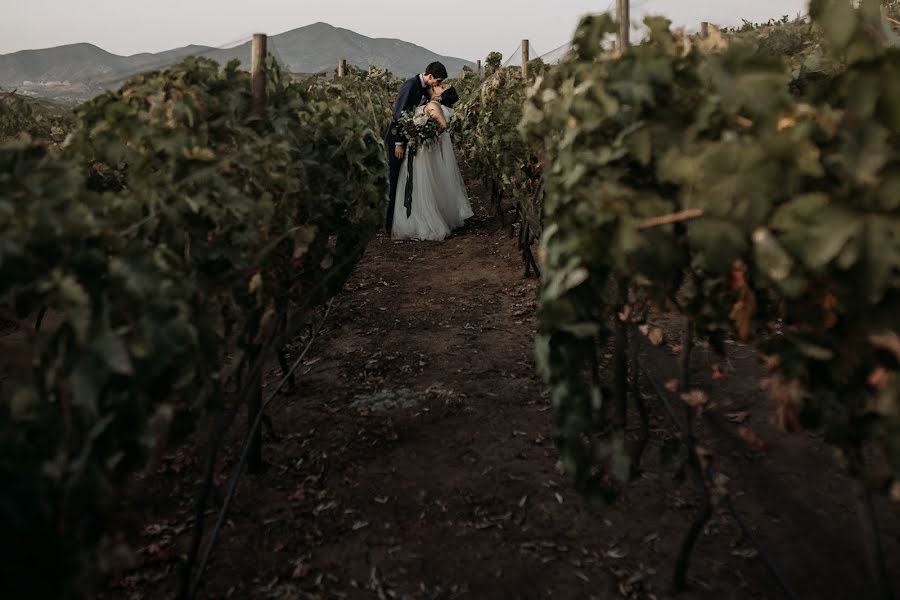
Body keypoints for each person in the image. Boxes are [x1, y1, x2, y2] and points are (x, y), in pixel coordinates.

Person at [390, 83, 473, 241]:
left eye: (441, 87)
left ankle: (427, 221)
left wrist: (424, 135)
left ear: (440, 95)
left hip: (423, 151)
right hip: (418, 150)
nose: (437, 86)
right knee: (417, 183)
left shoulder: (434, 105)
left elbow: (443, 126)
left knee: (422, 183)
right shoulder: (426, 104)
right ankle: (415, 219)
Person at [384, 62, 448, 231]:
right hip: (398, 141)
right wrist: (398, 143)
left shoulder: (424, 88)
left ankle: (402, 217)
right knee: (395, 178)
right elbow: (398, 114)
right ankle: (389, 222)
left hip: (410, 141)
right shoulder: (410, 85)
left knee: (404, 179)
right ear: (430, 76)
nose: (438, 84)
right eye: (438, 81)